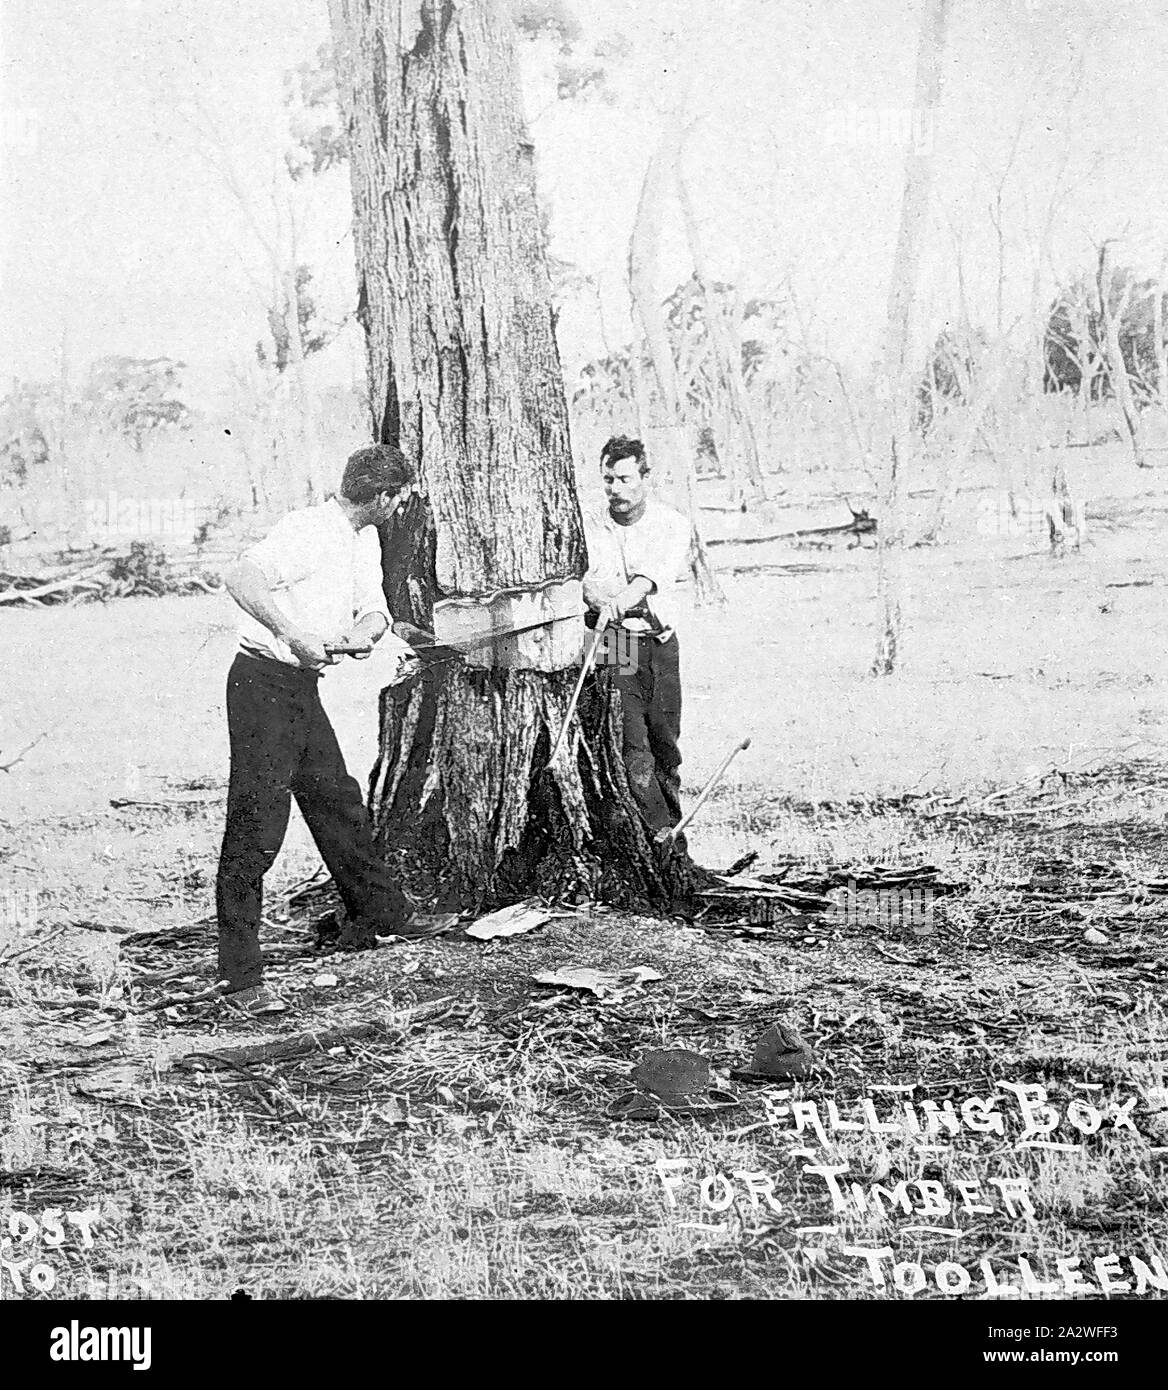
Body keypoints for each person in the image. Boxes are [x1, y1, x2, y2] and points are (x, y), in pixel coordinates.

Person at [216, 443, 440, 1014]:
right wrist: (291, 632)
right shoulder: (307, 530)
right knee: (258, 821)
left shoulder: (364, 539)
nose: (400, 507)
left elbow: (373, 607)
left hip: (299, 691)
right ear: (383, 496)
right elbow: (239, 575)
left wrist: (367, 630)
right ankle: (240, 974)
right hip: (261, 685)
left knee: (335, 798)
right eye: (400, 498)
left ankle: (379, 915)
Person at [582, 435, 692, 843]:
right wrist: (597, 597)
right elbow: (586, 582)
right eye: (608, 479)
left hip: (660, 644)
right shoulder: (590, 524)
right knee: (632, 743)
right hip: (619, 644)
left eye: (626, 479)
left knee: (665, 741)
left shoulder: (671, 525)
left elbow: (645, 582)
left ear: (646, 478)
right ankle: (654, 834)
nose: (615, 489)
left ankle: (674, 838)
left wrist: (619, 599)